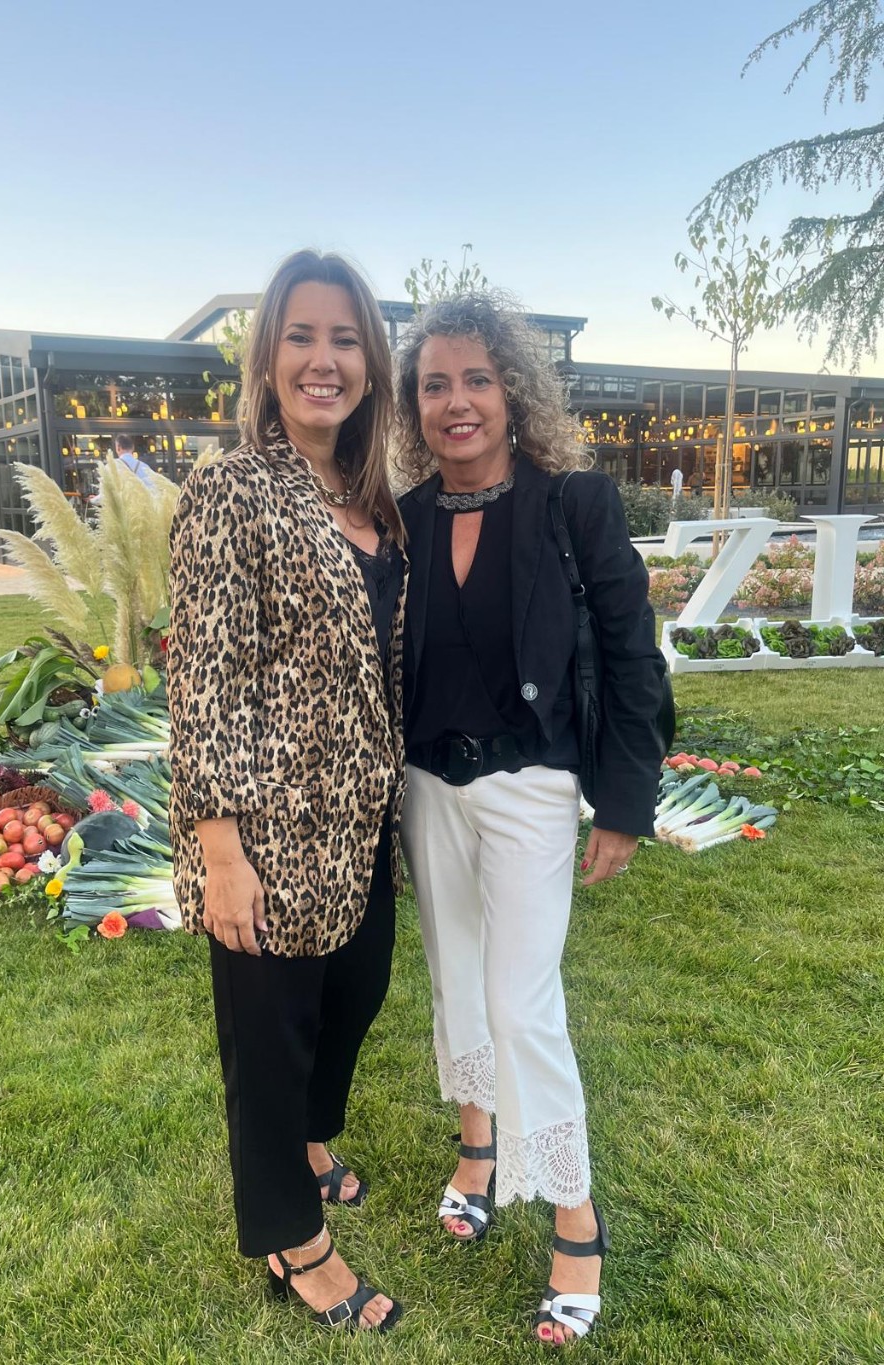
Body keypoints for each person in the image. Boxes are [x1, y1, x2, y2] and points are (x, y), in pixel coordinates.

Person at [394, 293, 667, 1348]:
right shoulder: (404, 517)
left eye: (476, 379)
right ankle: (478, 1144)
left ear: (511, 390)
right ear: (415, 404)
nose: (456, 402)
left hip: (532, 788)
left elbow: (632, 654)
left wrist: (624, 802)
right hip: (427, 786)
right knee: (455, 980)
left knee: (522, 1002)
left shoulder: (572, 504)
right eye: (435, 384)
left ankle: (574, 1213)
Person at [166, 250, 406, 1334]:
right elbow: (204, 676)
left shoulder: (372, 497)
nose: (324, 359)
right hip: (264, 828)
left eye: (345, 339)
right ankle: (292, 1239)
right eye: (302, 336)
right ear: (267, 357)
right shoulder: (232, 489)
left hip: (360, 823)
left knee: (355, 995)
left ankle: (311, 1141)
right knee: (267, 1043)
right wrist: (220, 850)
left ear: (370, 362)